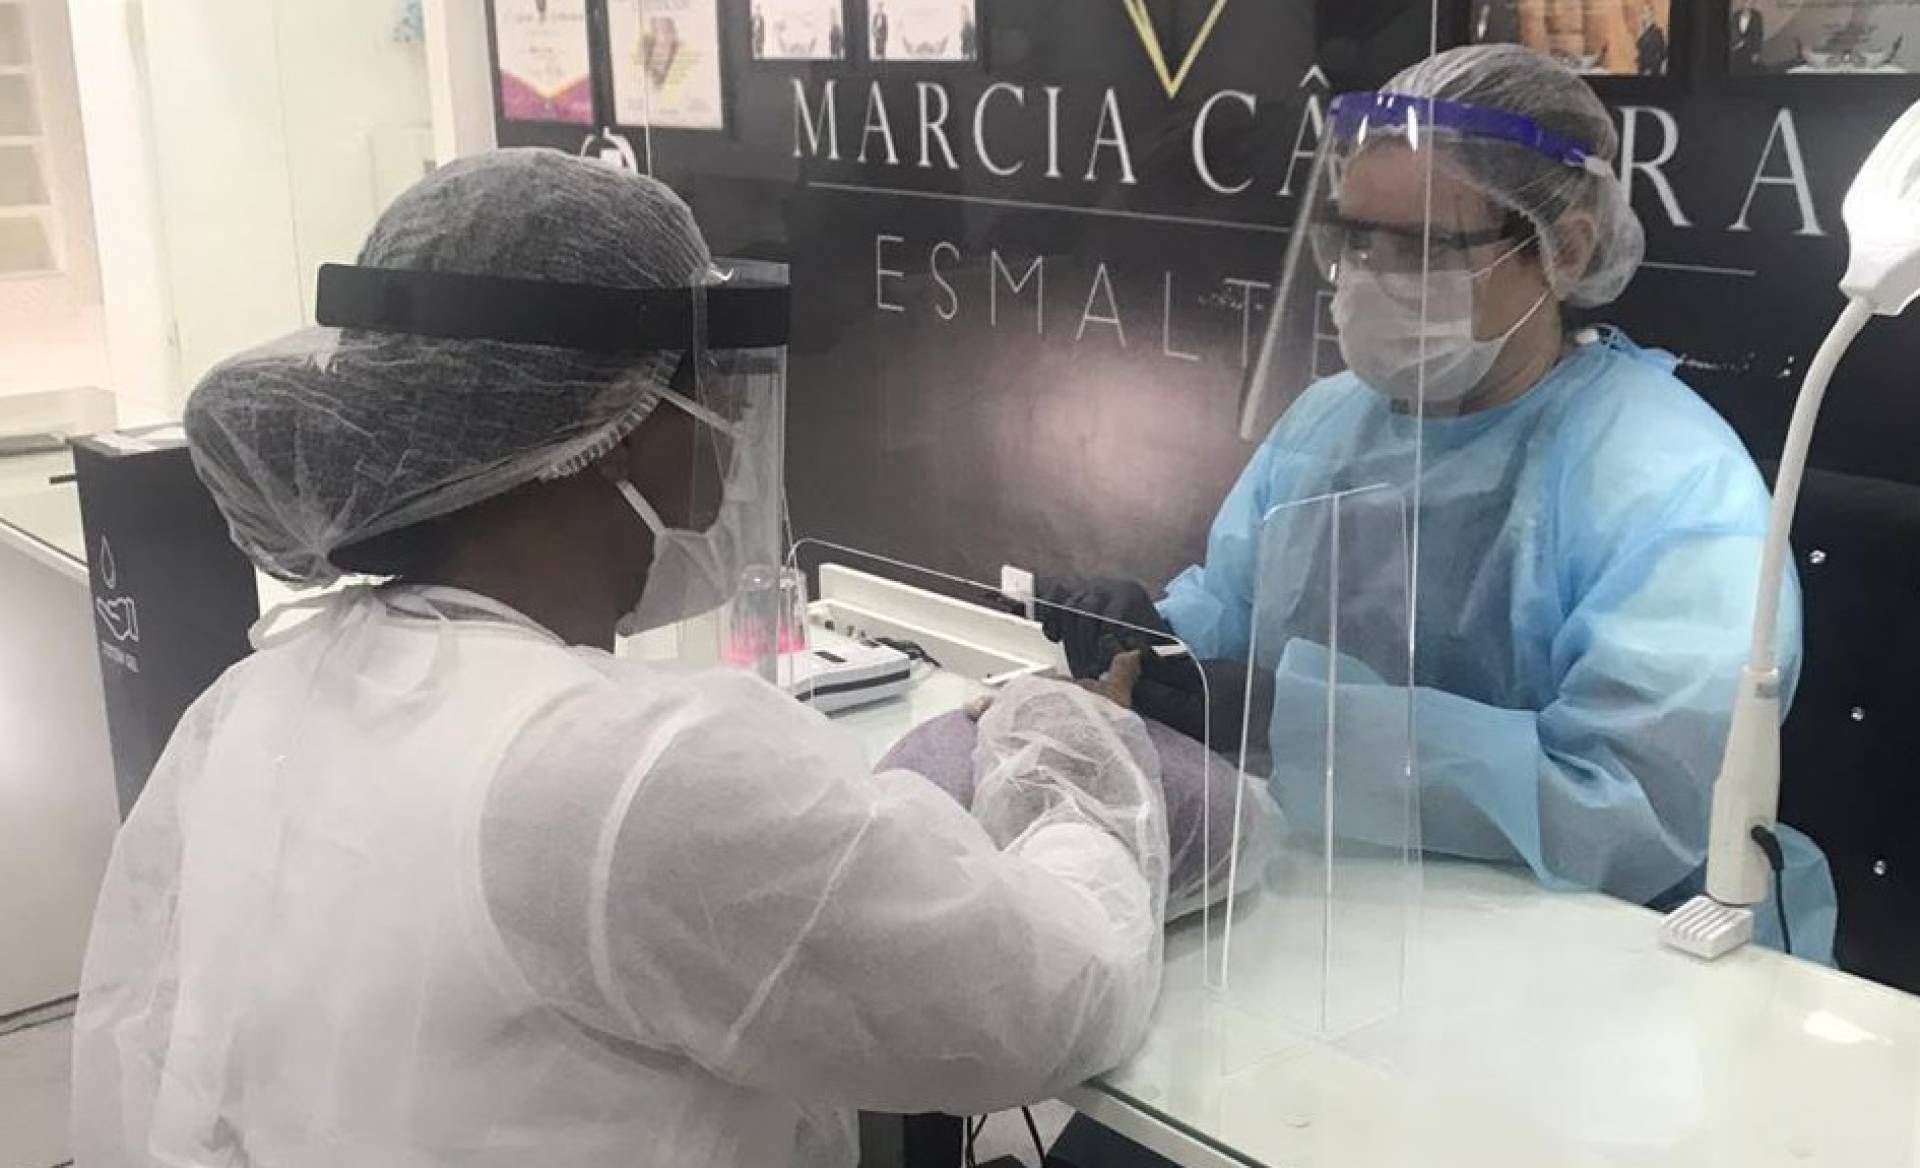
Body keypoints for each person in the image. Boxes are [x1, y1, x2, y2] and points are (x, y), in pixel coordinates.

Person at [71, 150, 1169, 1168]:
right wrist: (1074, 746)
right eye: (711, 389)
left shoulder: (252, 702)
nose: (727, 428)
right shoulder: (629, 773)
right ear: (625, 425)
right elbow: (1049, 1001)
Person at [1042, 44, 1836, 961]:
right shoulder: (1328, 422)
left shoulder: (1674, 485)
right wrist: (1155, 646)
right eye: (1355, 239)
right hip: (1333, 922)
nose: (1370, 277)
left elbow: (1632, 809)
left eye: (1422, 247)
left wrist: (1290, 721)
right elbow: (1234, 613)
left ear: (1565, 249)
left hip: (1616, 954)